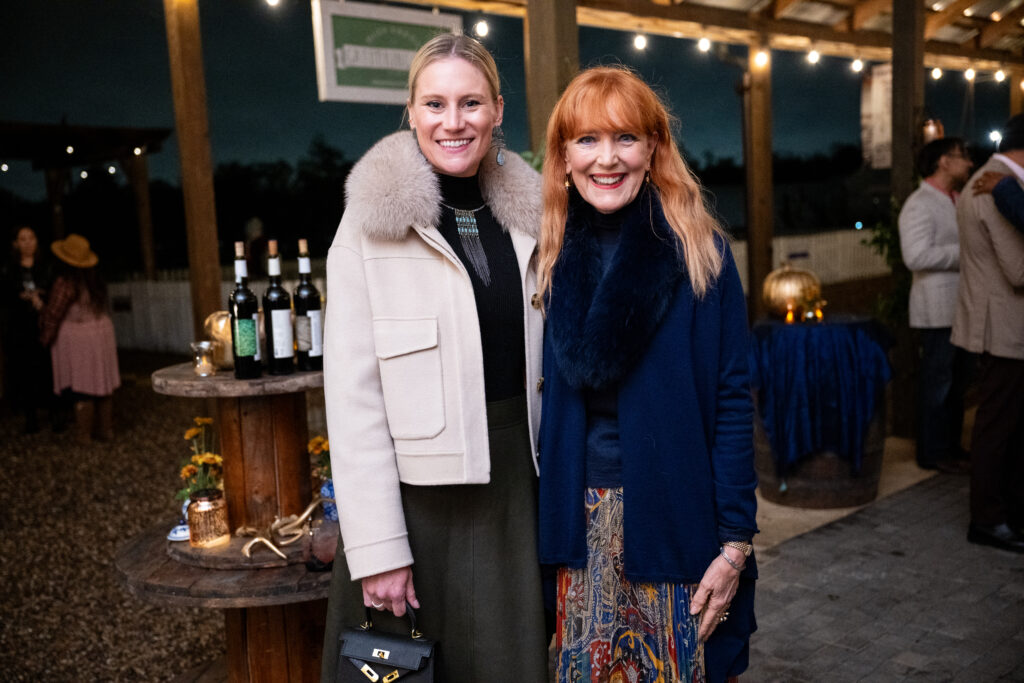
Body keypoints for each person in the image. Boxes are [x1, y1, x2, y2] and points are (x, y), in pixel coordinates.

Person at [320, 33, 548, 682]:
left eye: (471, 102)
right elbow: (353, 397)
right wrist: (379, 547)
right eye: (436, 103)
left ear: (498, 110)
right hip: (415, 507)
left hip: (513, 489)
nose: (454, 122)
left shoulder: (534, 217)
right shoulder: (368, 222)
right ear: (411, 111)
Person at [536, 66, 757, 683]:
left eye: (626, 138)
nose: (607, 159)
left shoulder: (699, 251)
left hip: (678, 516)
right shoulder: (547, 253)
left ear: (654, 146)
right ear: (563, 154)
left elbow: (733, 398)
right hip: (578, 525)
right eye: (587, 140)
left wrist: (735, 543)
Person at [952, 114, 1024, 554]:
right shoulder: (992, 186)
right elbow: (1018, 270)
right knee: (998, 426)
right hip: (1004, 324)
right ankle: (988, 519)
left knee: (1010, 425)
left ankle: (1009, 511)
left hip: (1005, 322)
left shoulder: (998, 182)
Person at [897, 138, 974, 474]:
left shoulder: (959, 198)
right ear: (944, 161)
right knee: (937, 383)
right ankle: (931, 453)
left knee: (959, 383)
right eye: (963, 157)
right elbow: (915, 256)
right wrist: (966, 256)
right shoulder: (919, 204)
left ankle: (953, 447)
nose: (969, 163)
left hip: (964, 306)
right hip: (936, 308)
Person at [38, 233, 120, 443]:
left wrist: (43, 327)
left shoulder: (66, 282)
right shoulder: (95, 280)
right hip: (102, 333)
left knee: (83, 386)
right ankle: (106, 430)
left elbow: (54, 312)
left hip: (80, 338)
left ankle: (84, 434)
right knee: (103, 383)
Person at [1, 226, 54, 433]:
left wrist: (42, 298)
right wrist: (20, 298)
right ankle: (30, 417)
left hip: (44, 326)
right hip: (20, 328)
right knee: (24, 371)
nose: (27, 242)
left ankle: (53, 412)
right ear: (16, 243)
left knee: (47, 369)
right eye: (22, 239)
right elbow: (5, 297)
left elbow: (55, 293)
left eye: (31, 237)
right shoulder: (9, 269)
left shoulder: (46, 266)